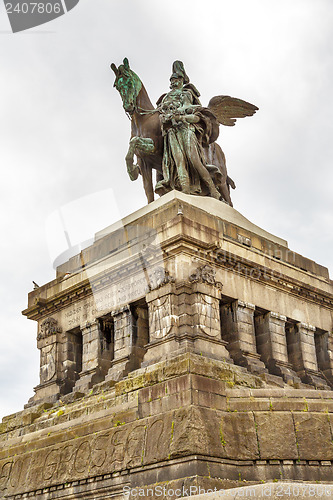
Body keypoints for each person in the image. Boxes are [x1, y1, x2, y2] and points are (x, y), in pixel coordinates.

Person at [155, 61, 221, 200]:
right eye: (172, 80)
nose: (174, 83)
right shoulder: (166, 97)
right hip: (171, 132)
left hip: (185, 129)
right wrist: (165, 118)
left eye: (177, 80)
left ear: (182, 81)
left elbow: (189, 109)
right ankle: (184, 190)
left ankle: (213, 189)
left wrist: (179, 115)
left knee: (194, 160)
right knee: (178, 161)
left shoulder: (186, 93)